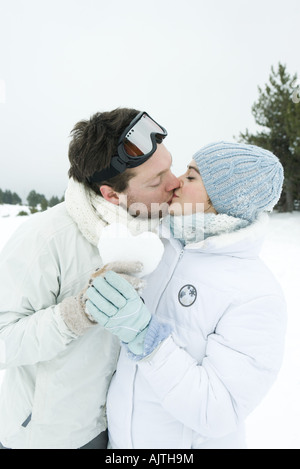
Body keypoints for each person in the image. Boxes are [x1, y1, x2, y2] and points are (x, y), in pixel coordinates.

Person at [0, 108, 180, 449]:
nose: (175, 184)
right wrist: (76, 315)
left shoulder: (159, 231)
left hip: (121, 432)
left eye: (170, 167)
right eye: (157, 181)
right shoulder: (46, 239)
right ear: (112, 195)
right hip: (48, 437)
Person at [89, 141, 287, 449]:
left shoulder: (256, 294)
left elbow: (218, 411)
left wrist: (146, 337)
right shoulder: (158, 246)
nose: (177, 181)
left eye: (192, 176)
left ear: (222, 199)